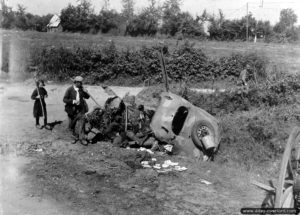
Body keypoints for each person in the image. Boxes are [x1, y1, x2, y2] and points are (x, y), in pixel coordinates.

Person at [63, 76, 90, 144]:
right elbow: (64, 99)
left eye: (81, 82)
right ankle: (74, 137)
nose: (80, 84)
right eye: (79, 82)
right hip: (72, 110)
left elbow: (87, 97)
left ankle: (82, 138)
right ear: (75, 82)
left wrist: (86, 92)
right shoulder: (69, 89)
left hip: (81, 109)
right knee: (72, 125)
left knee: (82, 123)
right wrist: (73, 101)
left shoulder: (81, 89)